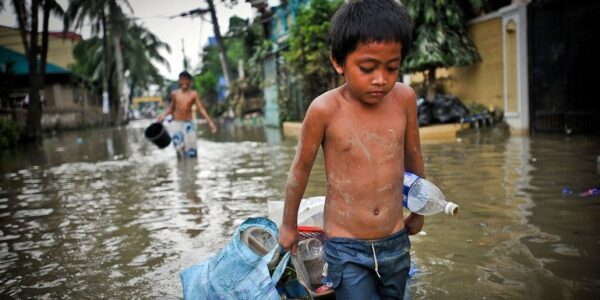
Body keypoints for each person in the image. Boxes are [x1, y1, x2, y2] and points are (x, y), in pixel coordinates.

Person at [277, 0, 424, 299]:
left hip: (396, 240)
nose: (381, 78)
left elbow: (414, 157)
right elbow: (300, 171)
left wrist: (419, 210)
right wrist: (288, 225)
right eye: (367, 68)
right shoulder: (324, 110)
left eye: (392, 67)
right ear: (338, 62)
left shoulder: (405, 98)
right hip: (346, 246)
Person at [157, 71, 218, 158]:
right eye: (182, 80)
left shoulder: (193, 94)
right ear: (179, 81)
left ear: (190, 81)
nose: (184, 82)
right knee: (179, 149)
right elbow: (171, 108)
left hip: (188, 124)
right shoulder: (174, 94)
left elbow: (201, 109)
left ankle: (192, 169)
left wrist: (211, 123)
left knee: (191, 150)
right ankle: (181, 169)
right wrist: (163, 115)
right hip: (176, 123)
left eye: (186, 80)